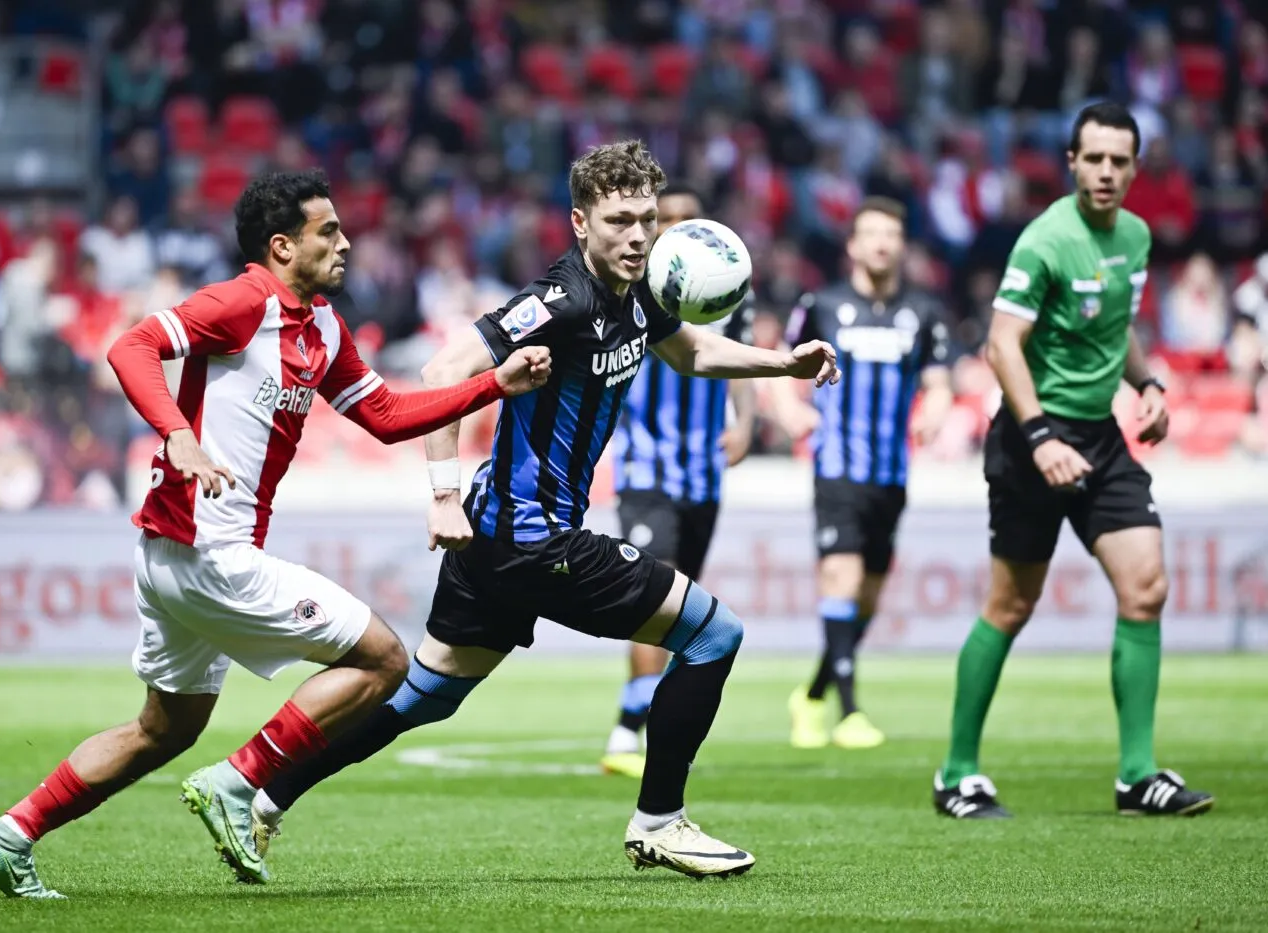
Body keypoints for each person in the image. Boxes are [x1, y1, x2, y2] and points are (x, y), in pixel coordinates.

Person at [248, 140, 840, 879]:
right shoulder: (561, 299)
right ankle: (661, 820)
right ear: (579, 222)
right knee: (714, 633)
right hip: (536, 536)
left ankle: (264, 795)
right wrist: (441, 493)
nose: (636, 235)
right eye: (619, 220)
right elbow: (442, 370)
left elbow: (689, 352)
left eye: (646, 220)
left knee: (424, 697)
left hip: (500, 540)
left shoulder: (642, 293)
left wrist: (783, 363)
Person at [0, 170, 551, 898]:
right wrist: (177, 434)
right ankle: (240, 781)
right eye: (327, 231)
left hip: (177, 554)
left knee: (162, 730)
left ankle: (10, 833)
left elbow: (388, 416)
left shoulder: (323, 326)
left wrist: (494, 384)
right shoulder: (244, 302)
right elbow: (132, 347)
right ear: (281, 245)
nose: (345, 241)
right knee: (384, 660)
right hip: (207, 550)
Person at [934, 102, 1214, 819]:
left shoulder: (1137, 237)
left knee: (1146, 586)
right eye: (1095, 158)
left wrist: (1148, 383)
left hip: (1100, 436)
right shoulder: (1045, 239)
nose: (1107, 172)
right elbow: (1002, 345)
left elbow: (1116, 332)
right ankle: (956, 773)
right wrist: (1040, 438)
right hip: (1033, 438)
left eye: (1120, 160)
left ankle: (1137, 774)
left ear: (1134, 167)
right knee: (1011, 603)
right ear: (1072, 162)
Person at [769, 196, 953, 750]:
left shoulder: (924, 312)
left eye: (890, 234)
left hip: (892, 473)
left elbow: (940, 382)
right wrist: (791, 410)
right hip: (837, 467)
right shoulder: (821, 303)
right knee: (841, 581)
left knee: (866, 600)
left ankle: (813, 693)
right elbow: (782, 364)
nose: (880, 243)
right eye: (870, 233)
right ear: (852, 245)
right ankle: (849, 712)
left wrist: (936, 416)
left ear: (901, 245)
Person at [602, 184, 757, 779]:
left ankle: (652, 722)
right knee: (651, 595)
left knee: (684, 603)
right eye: (665, 218)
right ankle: (627, 724)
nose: (673, 227)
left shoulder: (720, 289)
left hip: (704, 474)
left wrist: (744, 422)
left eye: (685, 218)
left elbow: (730, 355)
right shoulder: (626, 290)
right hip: (646, 472)